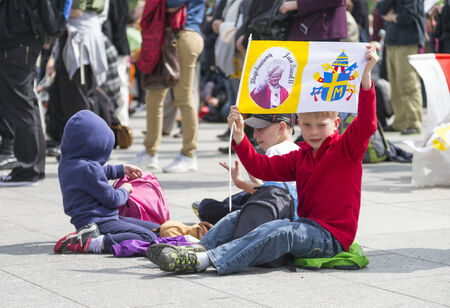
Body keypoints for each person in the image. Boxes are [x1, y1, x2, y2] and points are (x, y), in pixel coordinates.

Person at [147, 44, 378, 275]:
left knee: (280, 230)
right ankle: (198, 249)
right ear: (298, 123)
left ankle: (203, 261)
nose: (314, 131)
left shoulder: (346, 149)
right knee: (244, 214)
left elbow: (367, 123)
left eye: (321, 125)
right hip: (305, 225)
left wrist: (366, 75)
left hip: (331, 237)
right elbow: (261, 167)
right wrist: (239, 137)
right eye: (307, 125)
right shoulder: (301, 156)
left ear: (336, 124)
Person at [54, 110, 160, 254]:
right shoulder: (88, 169)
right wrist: (125, 189)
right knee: (148, 236)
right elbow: (113, 199)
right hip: (100, 222)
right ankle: (95, 243)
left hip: (91, 221)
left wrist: (121, 169)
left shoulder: (69, 163)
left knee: (156, 229)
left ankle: (87, 237)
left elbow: (97, 173)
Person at [132, 0, 206, 173]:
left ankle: (189, 154)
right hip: (169, 36)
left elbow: (172, 3)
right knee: (153, 96)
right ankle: (150, 152)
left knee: (183, 96)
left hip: (183, 34)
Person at [193, 113, 299, 224]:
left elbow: (274, 197)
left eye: (260, 129)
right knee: (242, 196)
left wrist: (240, 182)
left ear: (281, 127)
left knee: (210, 207)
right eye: (253, 129)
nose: (254, 135)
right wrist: (254, 177)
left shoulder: (276, 150)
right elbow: (274, 190)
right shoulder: (296, 148)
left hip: (278, 214)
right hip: (285, 209)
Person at [0, 0, 46, 186]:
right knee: (27, 104)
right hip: (22, 41)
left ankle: (28, 169)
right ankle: (34, 167)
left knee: (21, 106)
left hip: (17, 42)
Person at [376, 0, 425, 135]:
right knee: (395, 82)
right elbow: (381, 9)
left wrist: (393, 16)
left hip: (408, 40)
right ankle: (401, 122)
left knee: (407, 81)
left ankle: (413, 122)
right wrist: (393, 14)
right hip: (392, 39)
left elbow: (409, 15)